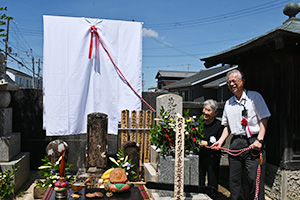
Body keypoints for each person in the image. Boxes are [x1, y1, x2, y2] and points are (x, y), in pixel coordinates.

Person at [211, 69, 271, 200]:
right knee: (234, 180)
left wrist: (259, 140)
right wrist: (220, 141)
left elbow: (264, 119)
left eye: (234, 81)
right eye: (229, 82)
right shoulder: (229, 103)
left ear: (242, 81)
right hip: (236, 142)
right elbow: (227, 127)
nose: (231, 84)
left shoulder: (254, 97)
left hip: (253, 142)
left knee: (254, 180)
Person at [198, 99, 223, 197]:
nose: (205, 112)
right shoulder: (199, 123)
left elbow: (221, 140)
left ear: (215, 113)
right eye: (205, 109)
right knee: (200, 177)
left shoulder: (218, 125)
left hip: (213, 156)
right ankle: (200, 196)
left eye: (209, 110)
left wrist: (207, 143)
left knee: (213, 178)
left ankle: (212, 196)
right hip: (200, 154)